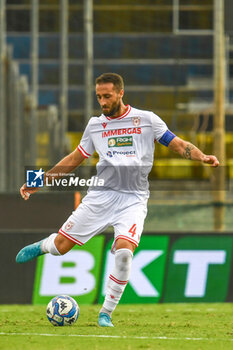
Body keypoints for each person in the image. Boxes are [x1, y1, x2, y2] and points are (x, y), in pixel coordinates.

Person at [16, 72, 219, 327]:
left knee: (124, 253)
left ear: (121, 93)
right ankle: (43, 246)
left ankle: (105, 313)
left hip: (133, 200)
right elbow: (73, 159)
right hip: (100, 196)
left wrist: (202, 157)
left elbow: (177, 144)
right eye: (99, 96)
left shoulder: (146, 120)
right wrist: (38, 181)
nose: (102, 102)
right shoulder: (95, 125)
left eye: (107, 96)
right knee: (60, 247)